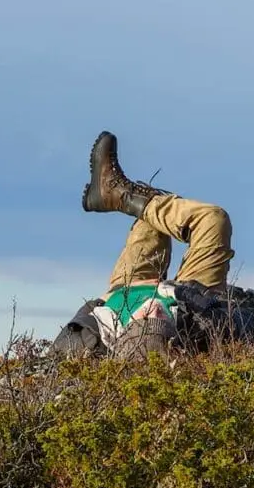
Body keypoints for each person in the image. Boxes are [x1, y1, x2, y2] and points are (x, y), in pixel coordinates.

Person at [69, 131, 241, 358]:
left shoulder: (88, 346)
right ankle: (122, 195)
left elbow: (76, 326)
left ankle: (119, 194)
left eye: (144, 318)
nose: (153, 307)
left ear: (122, 333)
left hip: (125, 290)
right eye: (159, 318)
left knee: (150, 224)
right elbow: (234, 320)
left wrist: (104, 302)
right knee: (213, 219)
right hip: (191, 296)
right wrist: (176, 291)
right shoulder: (200, 333)